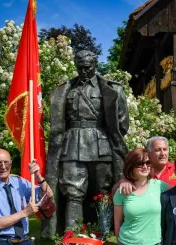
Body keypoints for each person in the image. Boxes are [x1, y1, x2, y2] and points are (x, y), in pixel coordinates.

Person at [46, 50, 129, 233]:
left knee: (104, 192)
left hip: (101, 146)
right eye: (80, 67)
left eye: (87, 67)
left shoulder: (111, 89)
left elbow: (122, 123)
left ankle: (105, 235)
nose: (83, 71)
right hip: (71, 145)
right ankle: (72, 238)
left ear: (95, 65)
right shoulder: (65, 89)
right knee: (72, 192)